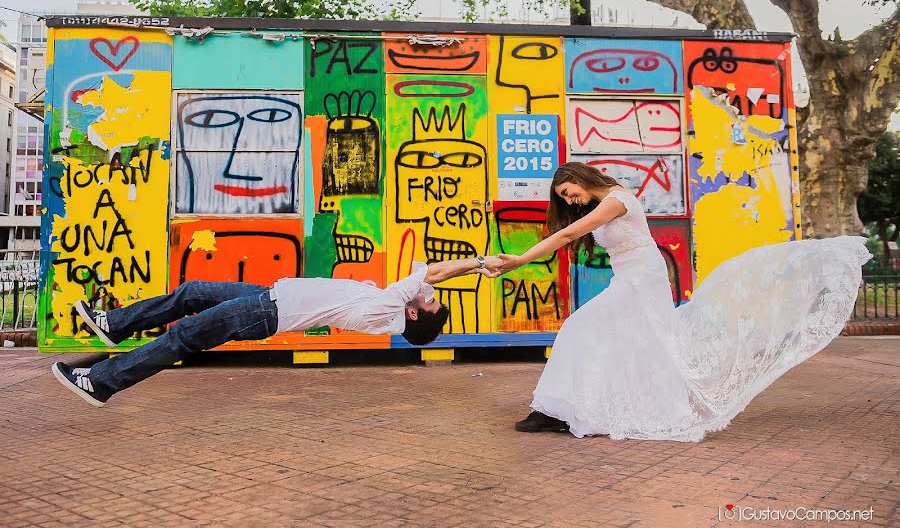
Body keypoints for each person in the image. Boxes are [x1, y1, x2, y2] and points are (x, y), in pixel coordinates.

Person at [482, 162, 871, 441]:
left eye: (570, 192)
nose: (572, 200)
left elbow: (568, 235)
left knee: (579, 328)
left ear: (580, 177)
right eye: (566, 198)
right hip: (631, 275)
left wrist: (519, 260)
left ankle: (554, 412)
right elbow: (574, 231)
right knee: (627, 342)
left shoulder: (617, 199)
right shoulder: (601, 204)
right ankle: (569, 410)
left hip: (642, 278)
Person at [52, 255, 503, 407]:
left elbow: (433, 271)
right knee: (192, 291)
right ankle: (115, 324)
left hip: (264, 311)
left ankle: (101, 383)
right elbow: (432, 277)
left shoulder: (387, 306)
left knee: (181, 338)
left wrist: (479, 264)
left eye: (427, 301)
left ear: (413, 315)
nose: (425, 292)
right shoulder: (390, 307)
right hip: (269, 295)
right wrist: (479, 265)